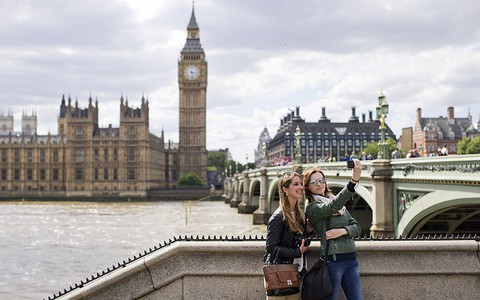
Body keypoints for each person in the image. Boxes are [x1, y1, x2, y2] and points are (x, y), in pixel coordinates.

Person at [303, 160, 363, 300]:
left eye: (321, 180)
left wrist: (343, 231)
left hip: (351, 260)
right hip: (332, 262)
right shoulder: (313, 208)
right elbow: (331, 207)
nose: (319, 184)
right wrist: (353, 182)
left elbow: (357, 227)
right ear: (308, 187)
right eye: (314, 182)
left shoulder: (336, 202)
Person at [264, 171, 309, 299]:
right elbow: (271, 248)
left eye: (301, 184)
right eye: (296, 184)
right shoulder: (278, 217)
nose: (300, 187)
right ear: (285, 189)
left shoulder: (299, 215)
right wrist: (296, 252)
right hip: (279, 275)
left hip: (295, 274)